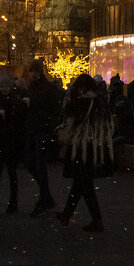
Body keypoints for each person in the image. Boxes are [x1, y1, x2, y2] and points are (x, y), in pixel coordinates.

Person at [56, 75, 115, 231]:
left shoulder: (79, 103)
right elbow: (109, 125)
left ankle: (93, 219)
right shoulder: (101, 103)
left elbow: (68, 123)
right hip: (96, 147)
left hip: (80, 147)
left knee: (82, 183)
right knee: (83, 183)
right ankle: (69, 216)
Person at [25, 59, 64, 216]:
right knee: (33, 163)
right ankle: (46, 197)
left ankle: (44, 199)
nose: (34, 74)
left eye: (36, 71)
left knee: (38, 165)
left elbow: (52, 110)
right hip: (35, 129)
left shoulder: (45, 89)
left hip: (41, 129)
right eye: (32, 71)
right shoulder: (34, 88)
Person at [0, 73, 27, 216]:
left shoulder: (15, 102)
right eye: (2, 86)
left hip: (10, 141)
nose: (4, 89)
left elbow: (19, 122)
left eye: (7, 86)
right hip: (1, 141)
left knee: (10, 174)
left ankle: (12, 202)